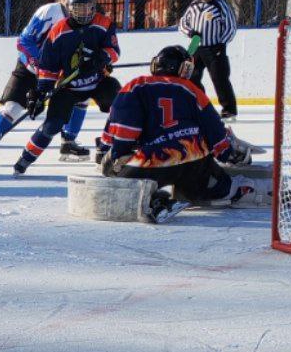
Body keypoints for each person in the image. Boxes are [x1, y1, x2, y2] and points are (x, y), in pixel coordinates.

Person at [100, 45, 258, 221]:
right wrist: (228, 153)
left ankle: (156, 201)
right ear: (180, 68)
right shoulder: (192, 89)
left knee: (122, 186)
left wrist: (115, 152)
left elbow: (123, 127)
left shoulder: (135, 86)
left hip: (154, 161)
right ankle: (235, 188)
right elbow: (214, 131)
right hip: (193, 159)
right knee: (204, 189)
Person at [0, 0, 104, 165]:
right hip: (30, 69)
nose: (79, 6)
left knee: (82, 97)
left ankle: (68, 142)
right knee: (12, 108)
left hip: (59, 72)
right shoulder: (48, 12)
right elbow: (24, 41)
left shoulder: (84, 18)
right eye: (73, 1)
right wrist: (41, 65)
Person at [12, 0, 121, 176]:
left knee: (120, 106)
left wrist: (101, 58)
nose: (86, 12)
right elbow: (48, 67)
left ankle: (104, 147)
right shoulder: (58, 31)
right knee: (52, 125)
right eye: (80, 8)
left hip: (97, 81)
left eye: (89, 7)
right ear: (70, 9)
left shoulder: (104, 24)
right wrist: (40, 92)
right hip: (69, 87)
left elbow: (114, 51)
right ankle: (24, 159)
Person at [178, 0, 238, 120]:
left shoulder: (220, 5)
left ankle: (229, 109)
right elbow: (182, 24)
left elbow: (231, 27)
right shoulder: (193, 5)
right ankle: (199, 104)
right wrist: (190, 33)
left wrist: (222, 43)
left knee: (219, 78)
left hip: (214, 46)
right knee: (189, 77)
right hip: (194, 45)